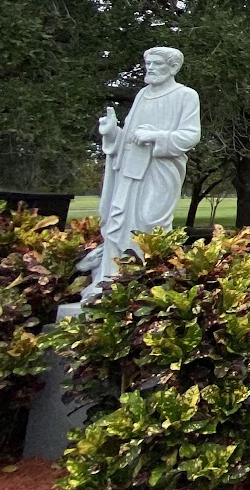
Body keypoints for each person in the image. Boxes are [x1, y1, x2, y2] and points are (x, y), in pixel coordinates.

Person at [81, 47, 201, 301]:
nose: (151, 68)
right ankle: (112, 280)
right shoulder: (143, 95)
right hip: (130, 168)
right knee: (120, 222)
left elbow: (191, 135)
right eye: (148, 63)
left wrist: (155, 136)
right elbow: (130, 137)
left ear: (173, 68)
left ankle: (146, 281)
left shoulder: (185, 96)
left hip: (160, 170)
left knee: (150, 223)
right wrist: (113, 132)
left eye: (157, 64)